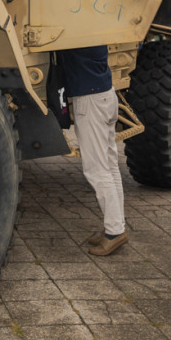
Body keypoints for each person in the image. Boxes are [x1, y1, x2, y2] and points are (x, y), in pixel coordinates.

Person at [58, 45, 128, 256]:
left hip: (90, 100)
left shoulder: (77, 31)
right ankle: (115, 226)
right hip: (106, 94)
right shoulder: (93, 26)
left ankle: (115, 232)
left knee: (97, 170)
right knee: (110, 165)